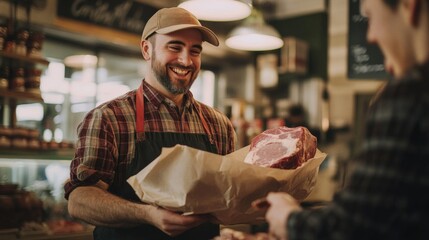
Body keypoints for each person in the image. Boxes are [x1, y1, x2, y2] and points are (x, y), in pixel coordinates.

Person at [63, 7, 236, 240]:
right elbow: (79, 201)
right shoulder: (109, 118)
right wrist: (148, 215)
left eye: (195, 51)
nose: (186, 60)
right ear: (147, 49)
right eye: (175, 47)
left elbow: (228, 196)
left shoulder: (219, 125)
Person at [264, 0, 429, 239]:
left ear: (408, 6)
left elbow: (355, 228)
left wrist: (287, 218)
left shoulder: (410, 94)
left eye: (371, 17)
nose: (371, 37)